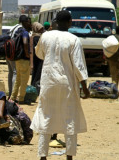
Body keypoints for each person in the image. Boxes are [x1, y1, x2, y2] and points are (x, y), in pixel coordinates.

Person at [30, 10, 90, 160]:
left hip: (48, 83)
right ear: (70, 22)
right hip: (67, 84)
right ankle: (69, 157)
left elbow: (39, 54)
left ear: (55, 22)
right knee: (70, 119)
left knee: (46, 117)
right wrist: (85, 87)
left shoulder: (46, 36)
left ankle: (43, 156)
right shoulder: (74, 39)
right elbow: (79, 66)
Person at [10, 15, 32, 104]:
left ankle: (13, 97)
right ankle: (21, 98)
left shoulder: (18, 31)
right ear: (25, 22)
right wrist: (27, 53)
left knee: (18, 79)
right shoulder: (25, 33)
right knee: (24, 80)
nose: (30, 23)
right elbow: (25, 42)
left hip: (18, 59)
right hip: (24, 59)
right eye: (28, 22)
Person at [30, 22, 44, 94]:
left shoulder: (32, 36)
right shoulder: (38, 37)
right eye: (40, 29)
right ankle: (36, 89)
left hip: (34, 58)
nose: (42, 30)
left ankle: (33, 87)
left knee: (35, 74)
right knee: (38, 74)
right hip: (39, 58)